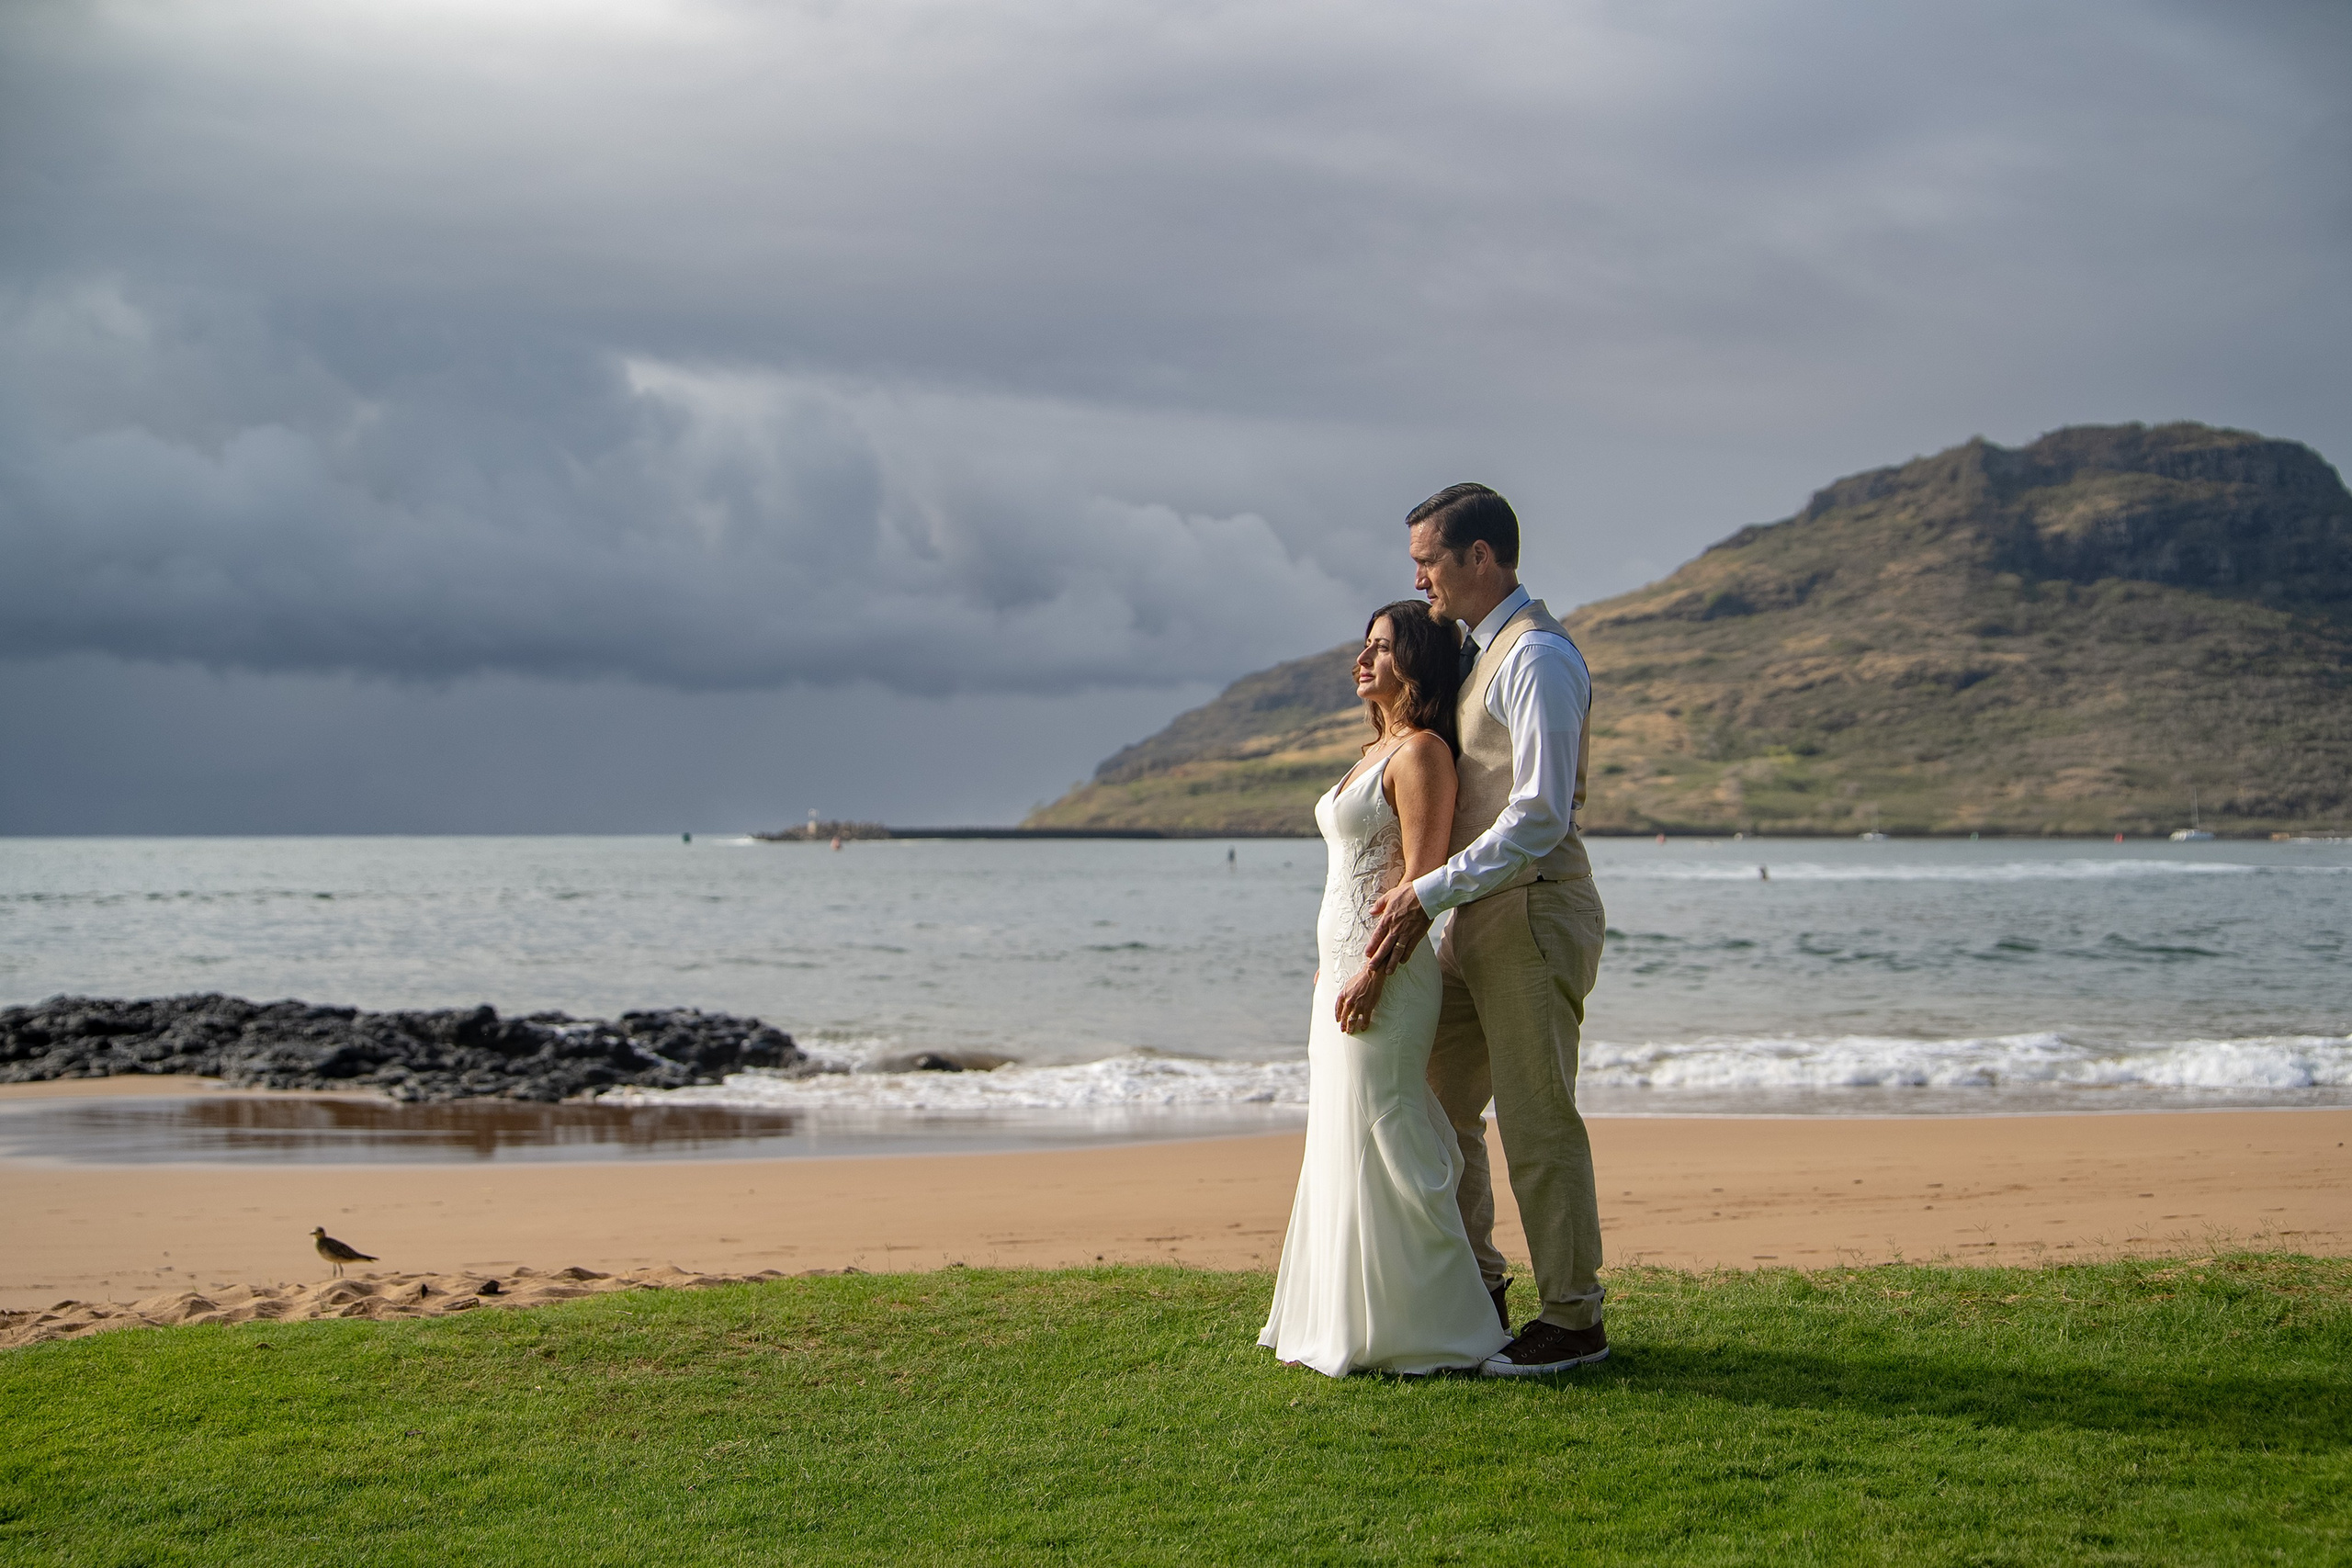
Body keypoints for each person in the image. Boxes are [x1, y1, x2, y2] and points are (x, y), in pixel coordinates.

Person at [1363, 482, 1611, 1376]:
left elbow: (1540, 812)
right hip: (1472, 913)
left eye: (1427, 560)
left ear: (1480, 557)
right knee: (1439, 1107)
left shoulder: (1535, 656)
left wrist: (1429, 891)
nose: (1420, 577)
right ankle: (1478, 1285)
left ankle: (1574, 1319)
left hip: (1534, 904)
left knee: (1536, 1117)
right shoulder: (1476, 655)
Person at [1258, 602, 1511, 1378]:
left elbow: (1419, 875)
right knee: (1342, 1134)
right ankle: (1350, 1320)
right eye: (1364, 645)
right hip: (1340, 975)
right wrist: (1334, 963)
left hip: (1389, 976)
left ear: (1417, 663)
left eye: (1382, 646)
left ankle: (1438, 1321)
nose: (1363, 658)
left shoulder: (1424, 752)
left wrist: (1372, 967)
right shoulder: (1376, 749)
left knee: (1389, 1132)